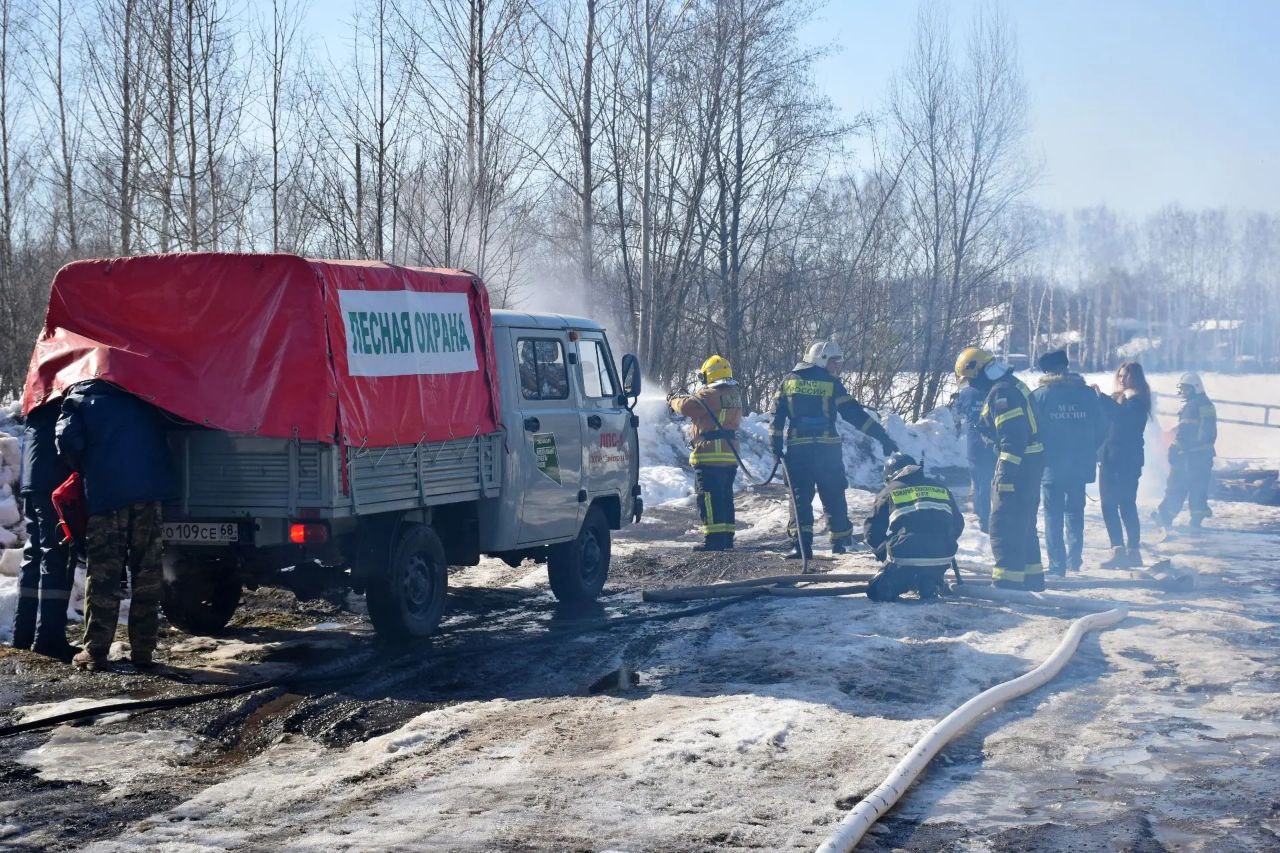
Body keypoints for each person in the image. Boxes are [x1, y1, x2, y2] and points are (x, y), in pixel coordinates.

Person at [55, 380, 178, 671]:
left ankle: (96, 651)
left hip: (107, 493)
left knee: (104, 572)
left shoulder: (79, 397)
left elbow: (67, 441)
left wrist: (87, 467)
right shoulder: (145, 388)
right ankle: (144, 650)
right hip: (149, 492)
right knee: (147, 570)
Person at [770, 341, 898, 560]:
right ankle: (840, 542)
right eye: (834, 361)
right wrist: (881, 436)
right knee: (833, 494)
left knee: (799, 497)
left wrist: (775, 444)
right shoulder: (831, 383)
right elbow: (853, 413)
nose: (837, 366)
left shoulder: (788, 381)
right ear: (821, 358)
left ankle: (801, 546)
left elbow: (777, 415)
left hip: (798, 449)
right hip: (827, 450)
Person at [954, 347, 1045, 591]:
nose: (971, 384)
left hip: (1018, 468)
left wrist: (1005, 475)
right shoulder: (1010, 384)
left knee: (1004, 524)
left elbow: (1013, 439)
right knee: (1024, 524)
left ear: (979, 370)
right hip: (1030, 466)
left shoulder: (1001, 393)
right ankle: (1031, 579)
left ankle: (1008, 583)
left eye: (971, 378)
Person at [1030, 350, 1108, 576]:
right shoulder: (1087, 394)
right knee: (1075, 513)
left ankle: (1057, 565)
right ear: (1066, 367)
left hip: (1050, 466)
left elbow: (1031, 430)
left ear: (1046, 371)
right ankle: (1074, 561)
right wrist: (1089, 448)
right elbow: (1102, 427)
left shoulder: (1040, 396)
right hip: (1080, 464)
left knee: (1053, 515)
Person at [10, 401, 76, 659]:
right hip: (53, 484)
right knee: (55, 554)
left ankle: (22, 633)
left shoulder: (36, 403)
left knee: (33, 553)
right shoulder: (63, 403)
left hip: (32, 481)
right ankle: (49, 637)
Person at [863, 452, 964, 602]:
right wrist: (941, 540)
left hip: (905, 557)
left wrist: (885, 552)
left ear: (891, 476)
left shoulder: (889, 491)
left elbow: (872, 533)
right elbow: (958, 524)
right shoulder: (940, 488)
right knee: (926, 562)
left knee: (875, 592)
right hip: (943, 553)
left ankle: (903, 579)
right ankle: (929, 580)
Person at [669, 355, 744, 551]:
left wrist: (672, 400)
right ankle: (726, 538)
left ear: (708, 376)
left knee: (709, 498)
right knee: (725, 496)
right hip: (729, 454)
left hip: (710, 454)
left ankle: (714, 541)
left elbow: (685, 407)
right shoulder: (733, 394)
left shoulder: (709, 394)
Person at [1096, 362, 1152, 568]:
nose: (1122, 379)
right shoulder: (1119, 399)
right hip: (1110, 458)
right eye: (1120, 376)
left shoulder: (1137, 400)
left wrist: (1100, 398)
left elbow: (1122, 418)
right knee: (1108, 504)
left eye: (1126, 376)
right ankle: (1118, 549)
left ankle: (1132, 550)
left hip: (1127, 460)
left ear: (1135, 377)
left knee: (1126, 504)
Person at [1156, 372, 1217, 531]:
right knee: (1198, 486)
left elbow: (1186, 432)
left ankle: (1164, 517)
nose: (1183, 392)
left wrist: (1175, 449)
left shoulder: (1192, 406)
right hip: (1204, 456)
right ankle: (1197, 518)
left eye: (1186, 389)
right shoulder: (1207, 404)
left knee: (1177, 484)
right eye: (1182, 388)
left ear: (1195, 388)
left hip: (1189, 456)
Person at [955, 380, 995, 533]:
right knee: (997, 483)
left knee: (980, 484)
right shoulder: (994, 390)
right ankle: (997, 516)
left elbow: (959, 410)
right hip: (994, 443)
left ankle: (982, 518)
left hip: (975, 445)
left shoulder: (966, 392)